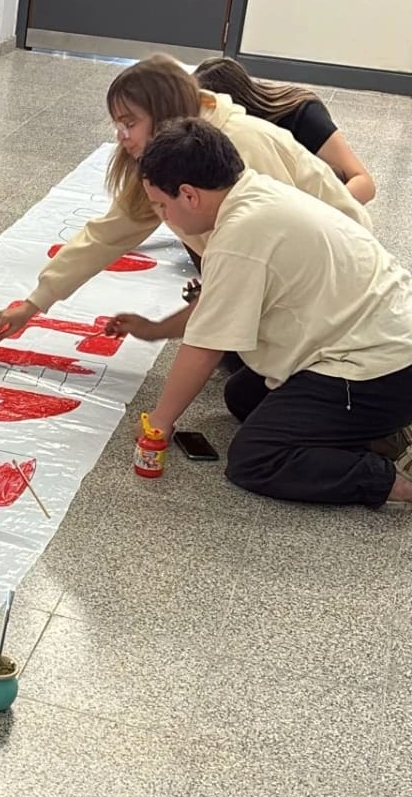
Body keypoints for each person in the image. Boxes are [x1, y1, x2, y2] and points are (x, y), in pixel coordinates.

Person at [0, 54, 372, 345]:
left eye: (130, 123)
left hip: (335, 283)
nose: (122, 136)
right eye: (118, 124)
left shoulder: (243, 143)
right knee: (229, 345)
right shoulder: (169, 150)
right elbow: (109, 233)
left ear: (164, 112)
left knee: (238, 360)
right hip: (273, 276)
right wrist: (35, 302)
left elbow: (284, 244)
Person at [131, 119, 412, 508]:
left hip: (377, 368)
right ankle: (378, 433)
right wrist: (156, 329)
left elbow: (204, 345)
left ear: (189, 195)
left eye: (162, 205)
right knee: (242, 396)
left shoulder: (239, 235)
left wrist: (158, 424)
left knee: (255, 459)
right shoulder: (254, 191)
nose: (164, 216)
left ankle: (393, 482)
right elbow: (213, 311)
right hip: (379, 335)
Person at [194, 56, 375, 205]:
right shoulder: (229, 132)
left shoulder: (301, 113)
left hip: (318, 204)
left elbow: (364, 183)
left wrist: (319, 216)